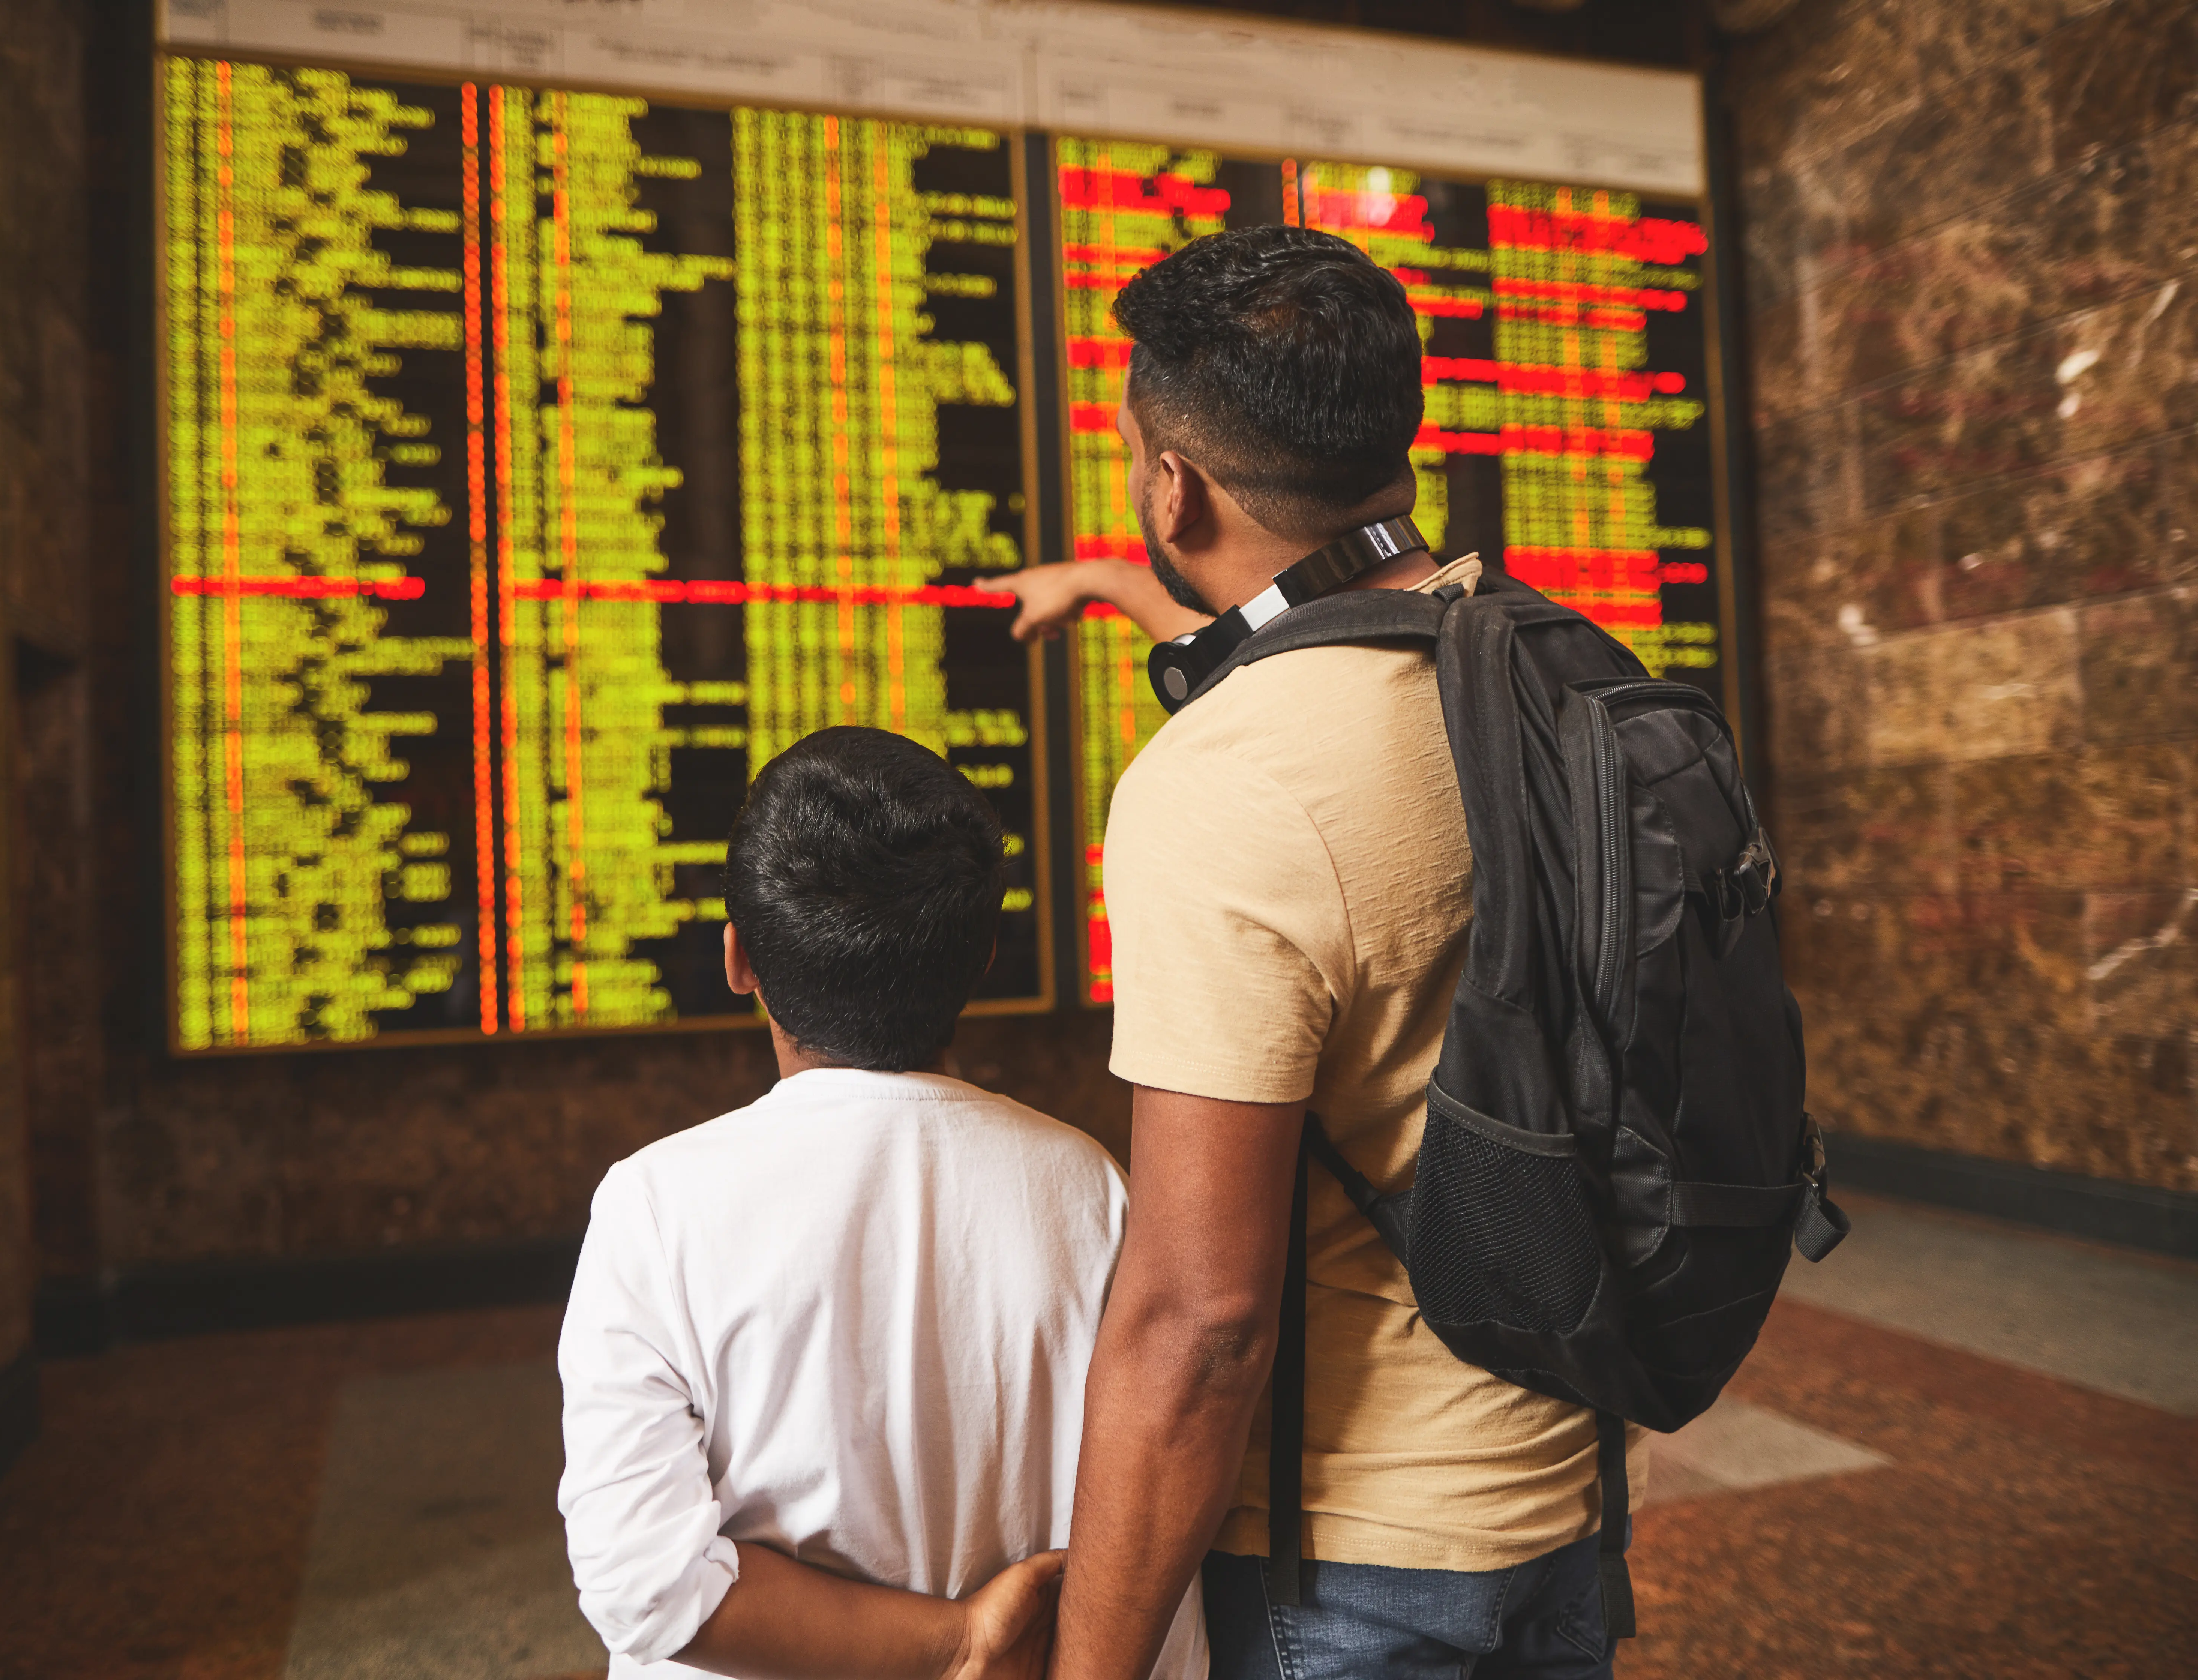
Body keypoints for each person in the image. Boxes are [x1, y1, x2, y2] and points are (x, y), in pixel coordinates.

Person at [985, 227, 1646, 1680]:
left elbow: (1202, 1318)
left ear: (1176, 481)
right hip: (1570, 1499)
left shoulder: (1223, 786)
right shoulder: (1552, 673)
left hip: (1361, 1568)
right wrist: (1111, 579)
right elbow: (1296, 652)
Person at [557, 726, 1207, 1680]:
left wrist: (956, 1646)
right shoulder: (1093, 1191)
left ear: (739, 958)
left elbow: (642, 1580)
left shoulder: (655, 1208)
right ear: (987, 954)